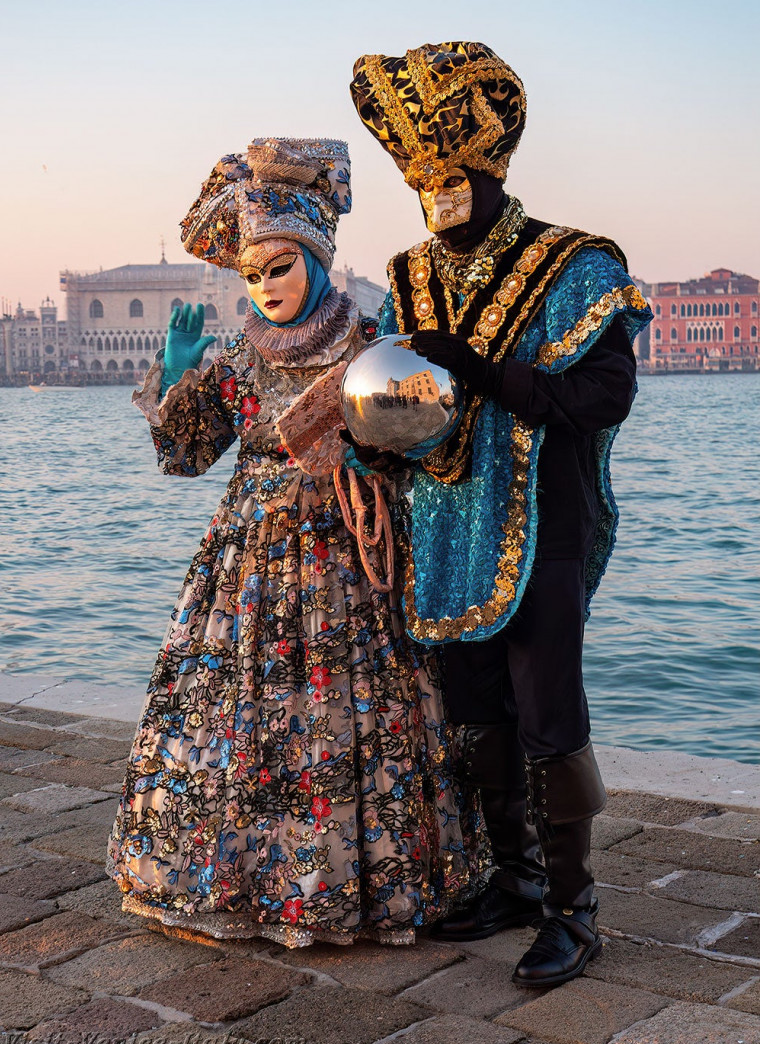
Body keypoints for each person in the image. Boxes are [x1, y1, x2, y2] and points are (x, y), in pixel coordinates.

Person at [105, 136, 490, 949]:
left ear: (315, 260)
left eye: (278, 268)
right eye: (251, 275)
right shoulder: (238, 357)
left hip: (350, 553)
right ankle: (244, 878)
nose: (265, 287)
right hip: (248, 564)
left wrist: (369, 453)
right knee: (242, 713)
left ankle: (361, 878)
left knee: (352, 711)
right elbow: (184, 454)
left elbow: (429, 440)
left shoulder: (372, 342)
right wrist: (176, 376)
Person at [349, 43, 653, 985]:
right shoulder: (408, 276)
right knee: (476, 711)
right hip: (443, 524)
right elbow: (397, 396)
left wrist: (485, 370)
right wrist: (373, 435)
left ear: (492, 169)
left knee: (549, 714)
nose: (438, 201)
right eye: (422, 186)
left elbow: (605, 394)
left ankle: (574, 910)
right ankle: (514, 878)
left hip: (541, 522)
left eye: (453, 181)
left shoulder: (573, 264)